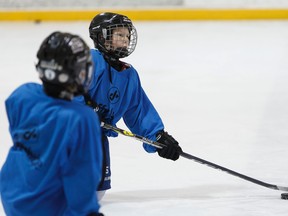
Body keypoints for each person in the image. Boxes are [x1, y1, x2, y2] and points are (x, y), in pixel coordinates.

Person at [77, 12, 183, 195]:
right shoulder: (90, 60)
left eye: (127, 35)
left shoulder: (129, 75)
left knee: (96, 194)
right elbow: (66, 88)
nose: (125, 40)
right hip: (70, 132)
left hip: (96, 138)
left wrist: (157, 137)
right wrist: (84, 107)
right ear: (102, 37)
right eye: (119, 35)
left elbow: (139, 110)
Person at [0, 31, 104, 216]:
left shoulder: (21, 95)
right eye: (81, 68)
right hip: (49, 208)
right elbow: (82, 173)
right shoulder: (82, 118)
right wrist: (88, 212)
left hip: (13, 196)